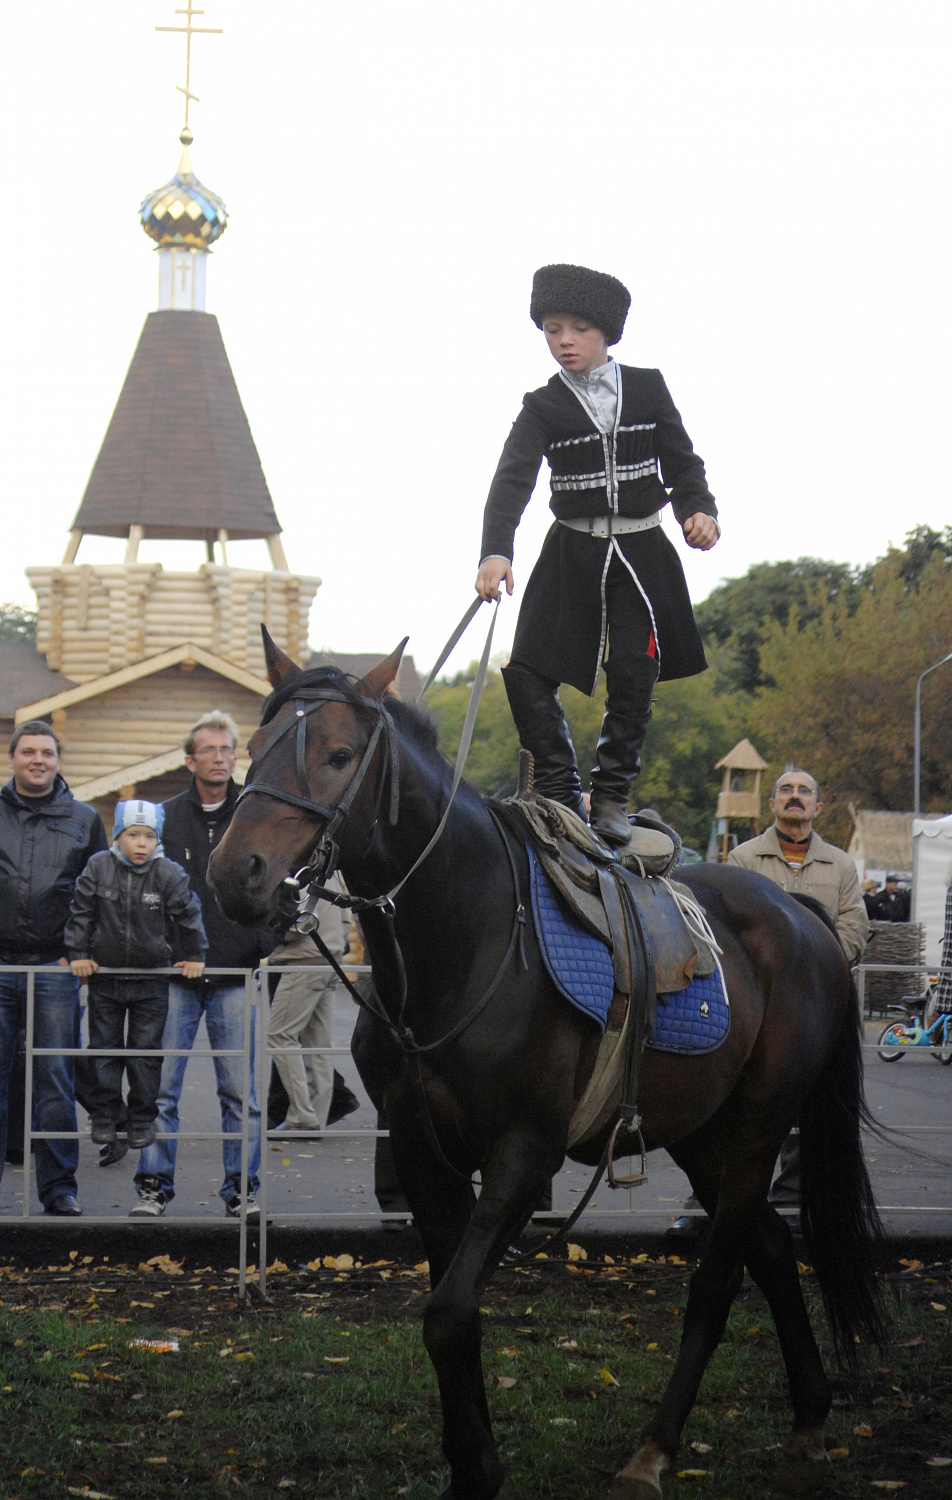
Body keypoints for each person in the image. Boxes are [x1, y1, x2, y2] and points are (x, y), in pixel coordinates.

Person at [475, 263, 719, 847]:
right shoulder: (540, 405)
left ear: (606, 332)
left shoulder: (650, 385)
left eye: (578, 328)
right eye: (552, 329)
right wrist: (495, 551)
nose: (564, 340)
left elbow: (683, 461)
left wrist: (698, 507)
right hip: (571, 551)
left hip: (641, 548)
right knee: (526, 671)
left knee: (636, 669)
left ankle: (611, 796)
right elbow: (512, 480)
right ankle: (560, 791)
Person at [669, 768, 869, 1236]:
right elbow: (715, 925)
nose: (794, 797)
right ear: (773, 805)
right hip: (752, 1008)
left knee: (808, 1106)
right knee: (719, 1102)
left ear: (819, 808)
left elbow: (855, 925)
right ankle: (702, 1206)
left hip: (817, 1005)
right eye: (785, 791)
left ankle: (790, 1201)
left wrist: (816, 973)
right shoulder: (741, 858)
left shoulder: (840, 865)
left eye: (804, 792)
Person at [131, 712, 274, 1219]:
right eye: (209, 750)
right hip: (174, 977)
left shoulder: (257, 813)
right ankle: (152, 1189)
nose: (219, 757)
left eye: (227, 749)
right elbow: (137, 885)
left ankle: (243, 1190)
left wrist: (259, 944)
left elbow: (285, 884)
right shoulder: (165, 818)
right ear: (189, 760)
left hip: (236, 977)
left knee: (242, 1095)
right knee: (159, 1090)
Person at [0, 721, 107, 1215]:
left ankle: (59, 1188)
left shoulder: (84, 820)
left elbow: (98, 894)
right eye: (28, 752)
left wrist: (78, 947)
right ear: (13, 758)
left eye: (46, 752)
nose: (37, 759)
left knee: (55, 1079)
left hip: (53, 968)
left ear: (58, 760)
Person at [65, 800, 206, 1152]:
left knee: (145, 1053)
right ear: (118, 836)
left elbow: (188, 914)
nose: (141, 844)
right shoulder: (98, 867)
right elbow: (81, 912)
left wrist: (193, 955)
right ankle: (105, 1116)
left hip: (151, 981)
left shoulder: (168, 873)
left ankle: (142, 1117)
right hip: (106, 979)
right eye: (133, 835)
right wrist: (79, 954)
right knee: (104, 1049)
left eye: (148, 836)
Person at [267, 875, 352, 1135]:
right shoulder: (332, 869)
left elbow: (298, 923)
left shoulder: (297, 868)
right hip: (331, 957)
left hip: (303, 960)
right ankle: (316, 1114)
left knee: (279, 1035)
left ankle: (302, 1116)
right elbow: (346, 918)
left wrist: (270, 943)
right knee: (319, 1043)